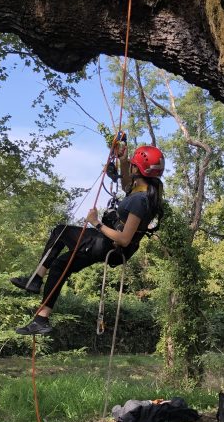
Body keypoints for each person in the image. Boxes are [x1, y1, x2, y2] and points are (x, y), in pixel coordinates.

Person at [12, 141, 165, 335]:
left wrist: (96, 223)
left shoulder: (140, 201)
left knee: (61, 231)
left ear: (139, 169)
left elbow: (125, 239)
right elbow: (127, 184)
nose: (131, 167)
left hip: (109, 244)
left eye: (133, 164)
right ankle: (41, 319)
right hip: (107, 245)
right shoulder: (144, 192)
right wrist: (123, 159)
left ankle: (35, 279)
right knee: (60, 265)